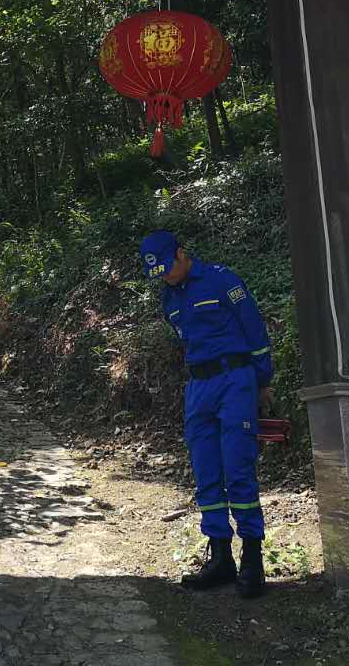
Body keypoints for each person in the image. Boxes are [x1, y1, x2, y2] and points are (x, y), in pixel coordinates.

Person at [141, 230, 273, 599]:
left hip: (235, 379)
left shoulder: (221, 279)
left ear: (182, 254)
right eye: (159, 273)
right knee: (206, 471)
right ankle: (220, 557)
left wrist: (263, 380)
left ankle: (252, 558)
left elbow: (254, 329)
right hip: (198, 386)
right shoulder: (169, 299)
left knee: (238, 468)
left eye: (169, 267)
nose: (167, 276)